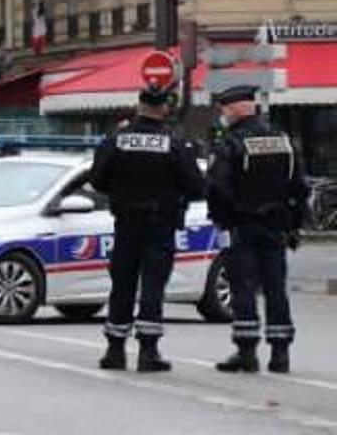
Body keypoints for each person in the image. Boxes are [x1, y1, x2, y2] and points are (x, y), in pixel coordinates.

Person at [89, 84, 203, 372]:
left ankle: (115, 351)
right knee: (153, 285)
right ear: (164, 107)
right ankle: (148, 352)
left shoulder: (117, 140)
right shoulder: (174, 144)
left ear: (139, 105)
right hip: (160, 224)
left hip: (126, 223)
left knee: (122, 284)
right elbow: (196, 186)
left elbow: (97, 179)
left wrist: (121, 189)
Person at [207, 85, 310, 375]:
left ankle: (246, 352)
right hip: (276, 226)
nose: (224, 115)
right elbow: (299, 187)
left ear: (240, 108)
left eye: (226, 109)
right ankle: (280, 353)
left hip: (243, 225)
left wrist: (224, 218)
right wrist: (294, 225)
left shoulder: (232, 143)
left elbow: (217, 187)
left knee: (244, 288)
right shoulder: (283, 140)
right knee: (276, 289)